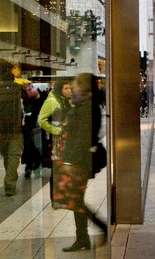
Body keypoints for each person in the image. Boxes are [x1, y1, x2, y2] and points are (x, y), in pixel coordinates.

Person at [55, 73, 107, 252]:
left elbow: (83, 137)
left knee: (76, 200)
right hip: (77, 159)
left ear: (84, 86)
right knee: (76, 200)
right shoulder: (82, 104)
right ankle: (82, 238)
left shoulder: (86, 107)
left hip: (79, 160)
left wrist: (70, 161)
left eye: (76, 82)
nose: (73, 85)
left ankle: (97, 229)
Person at [0, 61, 25, 197]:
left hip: (2, 130)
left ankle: (9, 180)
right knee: (14, 156)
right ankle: (10, 183)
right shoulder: (19, 89)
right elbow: (25, 109)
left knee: (6, 155)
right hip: (16, 129)